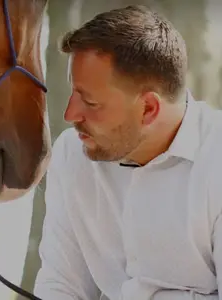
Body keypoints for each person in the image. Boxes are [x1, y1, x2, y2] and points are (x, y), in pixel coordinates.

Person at [34, 4, 222, 300]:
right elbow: (62, 284)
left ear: (148, 108)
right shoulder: (73, 155)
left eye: (91, 103)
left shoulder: (216, 161)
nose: (70, 115)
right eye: (73, 93)